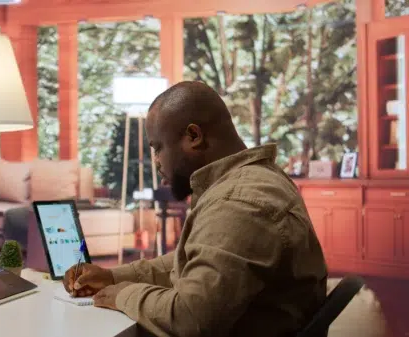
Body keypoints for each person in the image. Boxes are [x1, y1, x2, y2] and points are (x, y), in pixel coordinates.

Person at [63, 81, 328, 337]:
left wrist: (122, 294)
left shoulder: (239, 202)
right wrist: (112, 276)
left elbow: (190, 319)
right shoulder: (249, 182)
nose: (156, 162)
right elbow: (194, 260)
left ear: (193, 136)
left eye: (158, 148)